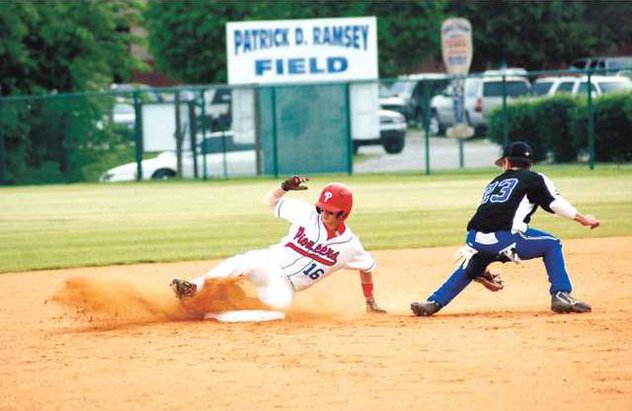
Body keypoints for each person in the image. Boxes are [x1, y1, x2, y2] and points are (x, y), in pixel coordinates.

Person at [411, 141, 600, 317]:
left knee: (472, 265)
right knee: (552, 244)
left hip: (474, 239)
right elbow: (555, 203)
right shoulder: (535, 178)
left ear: (507, 162)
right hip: (506, 239)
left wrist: (481, 264)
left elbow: (490, 214)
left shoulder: (495, 182)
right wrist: (583, 219)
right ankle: (561, 294)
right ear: (529, 163)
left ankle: (433, 302)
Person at [171, 175, 387, 318]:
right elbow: (269, 202)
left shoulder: (350, 246)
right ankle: (193, 288)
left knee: (277, 312)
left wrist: (370, 301)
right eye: (322, 208)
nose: (324, 214)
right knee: (246, 260)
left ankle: (215, 310)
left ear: (344, 214)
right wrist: (283, 188)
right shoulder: (307, 214)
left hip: (286, 286)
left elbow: (367, 268)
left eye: (331, 211)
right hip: (270, 263)